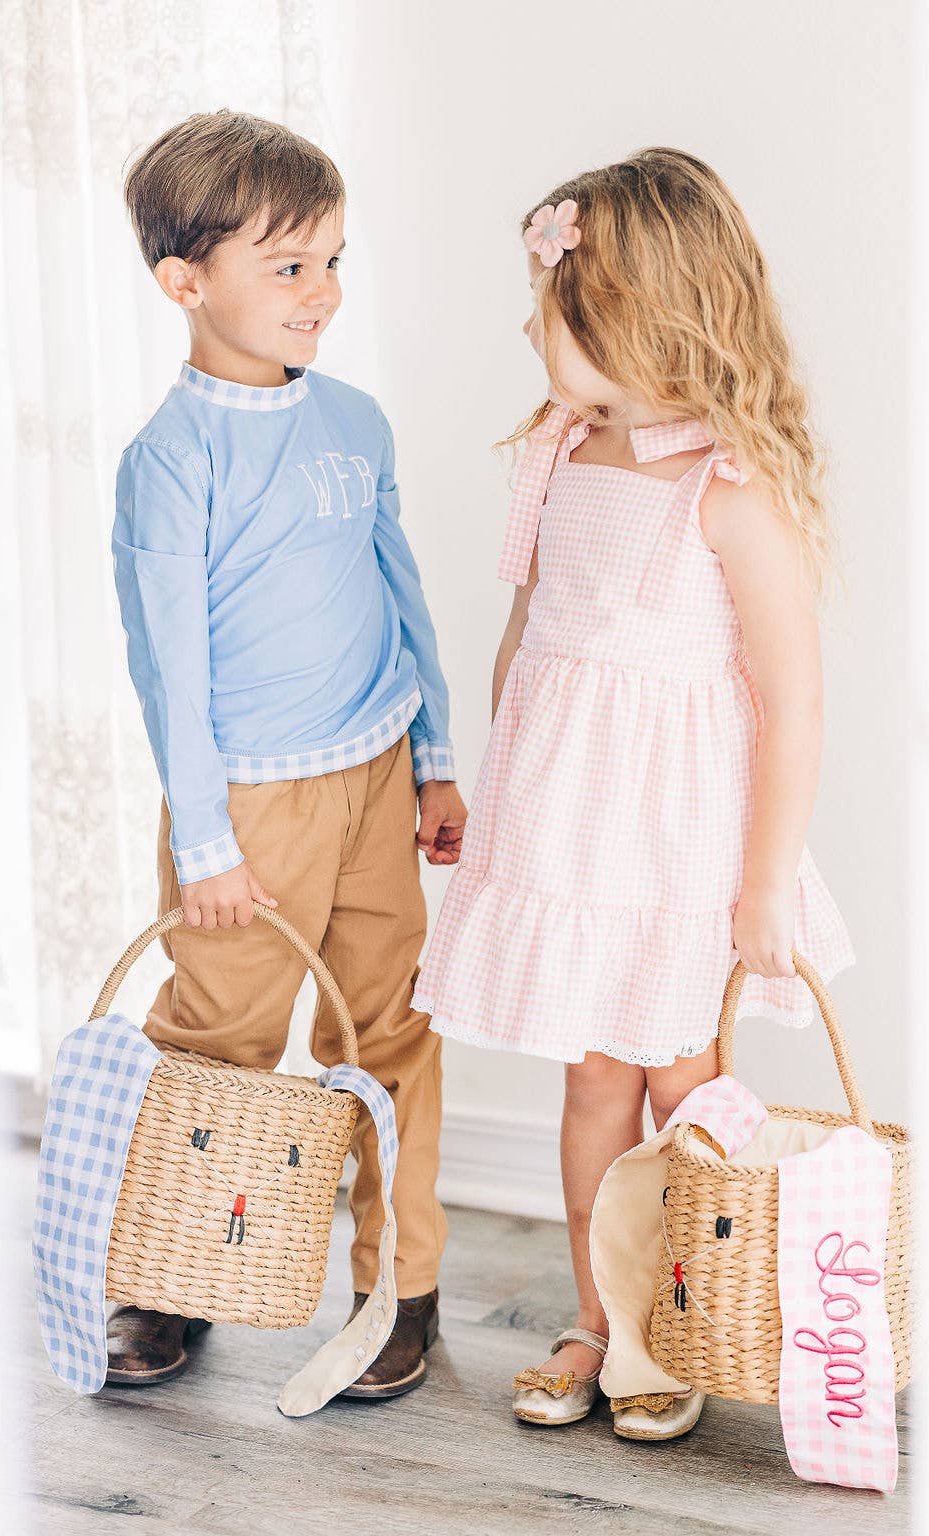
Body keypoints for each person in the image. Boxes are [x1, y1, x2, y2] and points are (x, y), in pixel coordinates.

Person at [413, 148, 853, 1439]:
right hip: (572, 832)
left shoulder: (728, 488)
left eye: (550, 303)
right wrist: (497, 800)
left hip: (676, 846)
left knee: (680, 1089)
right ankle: (599, 1317)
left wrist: (765, 882)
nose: (530, 328)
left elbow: (792, 702)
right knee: (593, 1083)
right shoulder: (561, 453)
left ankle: (676, 1319)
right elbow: (528, 636)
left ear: (637, 318)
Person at [110, 110, 466, 1395]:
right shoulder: (171, 460)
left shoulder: (355, 422)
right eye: (289, 266)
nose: (322, 292)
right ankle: (173, 1275)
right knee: (218, 1042)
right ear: (185, 281)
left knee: (390, 1033)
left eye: (332, 261)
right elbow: (169, 667)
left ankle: (399, 1287)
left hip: (375, 772)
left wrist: (433, 754)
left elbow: (399, 587)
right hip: (249, 808)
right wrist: (206, 841)